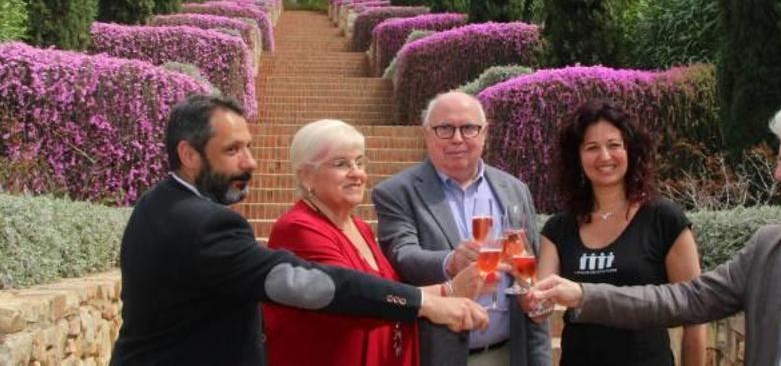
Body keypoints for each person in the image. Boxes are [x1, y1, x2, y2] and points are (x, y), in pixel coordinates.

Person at [110, 95, 488, 365]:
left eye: (249, 147)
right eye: (232, 151)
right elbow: (308, 283)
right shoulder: (207, 223)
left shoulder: (157, 203)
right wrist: (428, 302)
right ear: (189, 155)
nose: (251, 162)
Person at [532, 97, 781, 366]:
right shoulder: (769, 247)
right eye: (780, 160)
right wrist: (583, 295)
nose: (778, 172)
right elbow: (686, 299)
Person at [263, 119, 485, 366]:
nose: (357, 173)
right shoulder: (298, 228)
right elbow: (353, 297)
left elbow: (383, 292)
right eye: (341, 164)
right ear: (306, 176)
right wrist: (446, 293)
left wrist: (451, 290)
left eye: (359, 162)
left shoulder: (360, 227)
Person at [373, 91, 552, 366]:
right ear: (427, 134)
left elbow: (530, 278)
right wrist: (451, 262)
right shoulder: (397, 192)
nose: (457, 138)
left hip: (509, 354)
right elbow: (402, 253)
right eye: (444, 128)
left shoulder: (514, 189)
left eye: (468, 128)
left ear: (485, 133)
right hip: (438, 356)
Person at [533, 101, 706, 366]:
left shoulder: (663, 219)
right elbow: (539, 308)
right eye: (592, 147)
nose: (604, 156)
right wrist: (527, 294)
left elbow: (694, 312)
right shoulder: (558, 229)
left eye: (614, 145)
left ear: (631, 151)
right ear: (577, 158)